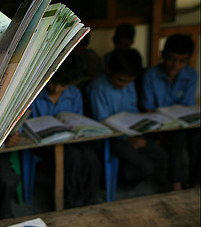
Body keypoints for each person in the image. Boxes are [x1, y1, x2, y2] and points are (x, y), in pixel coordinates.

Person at [86, 49, 168, 188]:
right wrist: (129, 139)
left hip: (130, 132)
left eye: (129, 82)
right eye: (121, 80)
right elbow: (102, 121)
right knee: (145, 166)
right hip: (111, 138)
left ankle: (125, 174)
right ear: (109, 69)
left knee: (161, 155)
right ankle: (120, 181)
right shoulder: (98, 87)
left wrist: (141, 128)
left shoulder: (129, 84)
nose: (124, 85)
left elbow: (133, 111)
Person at [28, 56, 102, 208]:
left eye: (62, 85)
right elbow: (27, 124)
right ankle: (72, 201)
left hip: (70, 140)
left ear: (69, 84)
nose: (56, 89)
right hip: (43, 144)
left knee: (90, 156)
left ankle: (90, 198)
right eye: (53, 83)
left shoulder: (74, 94)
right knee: (73, 157)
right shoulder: (35, 95)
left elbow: (77, 119)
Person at [140, 34, 200, 190]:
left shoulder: (191, 75)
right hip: (160, 124)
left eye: (182, 61)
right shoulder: (151, 76)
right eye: (172, 59)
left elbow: (188, 105)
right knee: (177, 137)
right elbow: (148, 107)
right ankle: (176, 184)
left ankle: (196, 183)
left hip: (183, 122)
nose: (175, 65)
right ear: (162, 55)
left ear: (188, 60)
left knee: (198, 136)